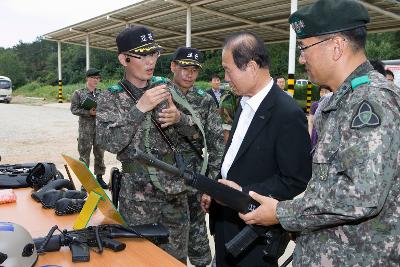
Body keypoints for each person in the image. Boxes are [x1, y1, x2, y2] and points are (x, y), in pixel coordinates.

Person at [239, 0, 400, 266]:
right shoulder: (342, 101)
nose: (301, 58)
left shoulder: (371, 102)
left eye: (304, 47)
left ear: (336, 46)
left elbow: (362, 194)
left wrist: (282, 213)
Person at [201, 31, 312, 267]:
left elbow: (295, 179)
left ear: (251, 67)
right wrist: (216, 188)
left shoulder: (287, 113)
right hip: (226, 222)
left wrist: (242, 192)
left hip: (253, 233)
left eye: (228, 70)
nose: (225, 77)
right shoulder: (244, 103)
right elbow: (235, 158)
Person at [96, 26, 192, 263]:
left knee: (177, 257)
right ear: (123, 59)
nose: (151, 61)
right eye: (143, 55)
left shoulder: (165, 87)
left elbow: (196, 133)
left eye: (154, 53)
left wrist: (180, 119)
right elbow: (108, 142)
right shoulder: (111, 96)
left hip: (174, 190)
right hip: (137, 195)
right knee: (139, 258)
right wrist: (139, 109)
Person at [170, 47, 224, 267]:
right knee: (169, 244)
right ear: (173, 67)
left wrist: (209, 186)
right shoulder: (157, 93)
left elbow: (216, 146)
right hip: (162, 181)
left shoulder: (205, 100)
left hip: (193, 180)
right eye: (184, 68)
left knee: (199, 241)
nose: (189, 74)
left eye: (194, 69)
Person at [70, 68, 107, 189]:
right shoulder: (79, 93)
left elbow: (106, 109)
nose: (96, 80)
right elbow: (74, 109)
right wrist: (88, 112)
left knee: (100, 154)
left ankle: (99, 178)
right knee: (84, 156)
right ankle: (85, 182)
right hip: (85, 130)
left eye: (98, 78)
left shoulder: (102, 93)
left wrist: (100, 111)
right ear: (87, 78)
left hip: (99, 129)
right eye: (94, 78)